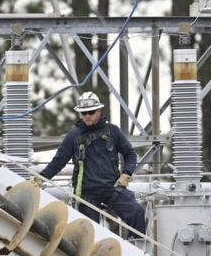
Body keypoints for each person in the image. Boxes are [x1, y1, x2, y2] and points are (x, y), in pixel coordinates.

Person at [38, 91, 146, 237]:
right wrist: (40, 179)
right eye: (84, 113)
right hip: (87, 195)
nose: (87, 116)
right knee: (89, 234)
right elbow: (58, 162)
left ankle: (137, 252)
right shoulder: (73, 137)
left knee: (136, 213)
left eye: (91, 112)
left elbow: (130, 154)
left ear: (99, 112)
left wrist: (126, 174)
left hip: (112, 189)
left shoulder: (113, 132)